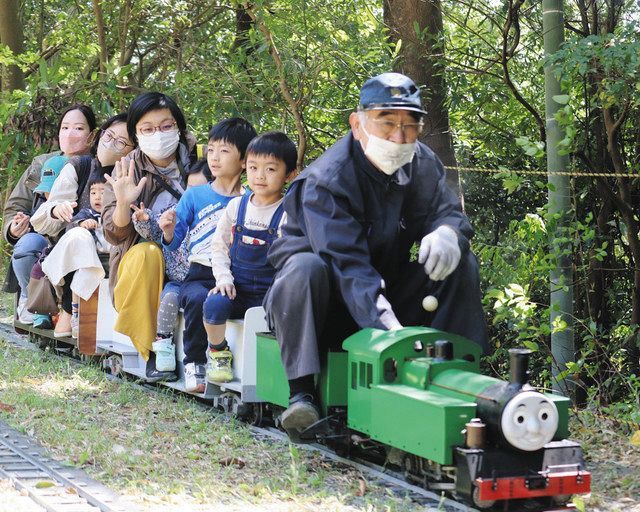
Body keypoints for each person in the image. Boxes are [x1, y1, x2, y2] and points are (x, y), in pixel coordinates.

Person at [264, 72, 489, 439]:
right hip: (322, 303)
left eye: (409, 126)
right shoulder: (327, 180)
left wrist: (449, 232)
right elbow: (347, 267)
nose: (399, 137)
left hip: (384, 287)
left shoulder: (422, 162)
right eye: (386, 124)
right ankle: (301, 392)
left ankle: (460, 378)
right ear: (357, 123)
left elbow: (449, 211)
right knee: (306, 268)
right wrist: (392, 335)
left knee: (461, 262)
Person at [102, 92, 196, 382]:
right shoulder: (125, 169)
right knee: (148, 253)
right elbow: (114, 235)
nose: (158, 134)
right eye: (147, 129)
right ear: (136, 133)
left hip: (195, 254)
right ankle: (153, 351)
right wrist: (122, 202)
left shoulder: (203, 158)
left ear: (179, 127)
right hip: (145, 264)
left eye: (166, 126)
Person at [160, 117, 256, 392]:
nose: (214, 158)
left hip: (235, 276)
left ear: (243, 160)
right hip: (200, 274)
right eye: (211, 149)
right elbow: (175, 240)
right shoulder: (195, 196)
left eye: (224, 151)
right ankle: (194, 363)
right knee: (199, 298)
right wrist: (168, 231)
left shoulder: (249, 200)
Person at [31, 112, 134, 336]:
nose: (111, 144)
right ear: (99, 135)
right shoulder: (80, 166)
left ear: (133, 149)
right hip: (74, 251)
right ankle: (71, 308)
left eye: (121, 142)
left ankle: (72, 313)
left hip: (116, 249)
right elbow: (41, 219)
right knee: (80, 237)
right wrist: (57, 210)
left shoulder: (136, 174)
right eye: (109, 136)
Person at [204, 131, 295, 384]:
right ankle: (218, 351)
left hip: (271, 291)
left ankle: (279, 369)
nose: (260, 176)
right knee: (213, 304)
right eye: (253, 167)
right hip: (237, 288)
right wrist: (223, 279)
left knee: (289, 316)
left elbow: (292, 259)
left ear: (289, 175)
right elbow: (218, 246)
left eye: (270, 169)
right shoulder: (236, 206)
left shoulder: (288, 212)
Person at [3, 104, 96, 325]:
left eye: (78, 128)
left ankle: (71, 313)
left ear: (91, 135)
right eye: (65, 127)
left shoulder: (97, 164)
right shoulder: (41, 164)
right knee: (27, 245)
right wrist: (13, 227)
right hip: (40, 237)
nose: (70, 134)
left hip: (79, 236)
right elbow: (15, 206)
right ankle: (32, 300)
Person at [130, 161, 209, 374]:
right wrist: (144, 220)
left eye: (202, 189)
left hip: (205, 280)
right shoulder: (175, 212)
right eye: (190, 189)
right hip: (176, 279)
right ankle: (163, 346)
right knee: (169, 298)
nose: (194, 195)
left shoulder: (216, 216)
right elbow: (154, 231)